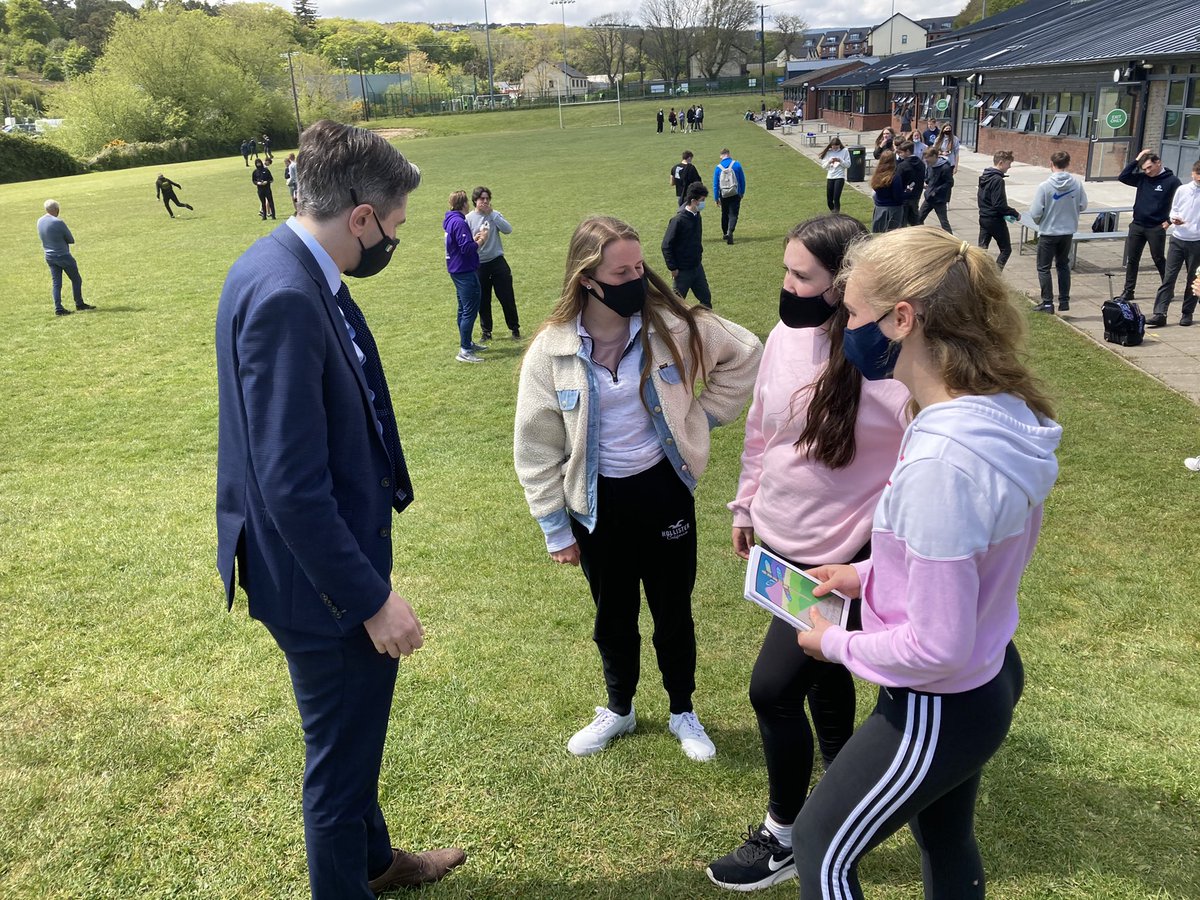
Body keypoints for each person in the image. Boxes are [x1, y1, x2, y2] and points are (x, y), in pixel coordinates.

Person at [214, 119, 466, 900]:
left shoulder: (282, 262)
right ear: (360, 217)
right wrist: (371, 600)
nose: (395, 239)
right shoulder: (288, 294)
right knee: (339, 764)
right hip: (318, 586)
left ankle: (374, 862)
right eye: (394, 225)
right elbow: (290, 484)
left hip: (314, 569)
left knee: (353, 737)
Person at [792, 226, 1062, 900]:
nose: (845, 328)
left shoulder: (944, 461)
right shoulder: (993, 410)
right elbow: (962, 557)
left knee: (819, 845)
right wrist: (866, 576)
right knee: (944, 836)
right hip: (986, 677)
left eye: (853, 313)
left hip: (939, 701)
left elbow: (937, 644)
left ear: (902, 319)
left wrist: (836, 644)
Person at [705, 214, 909, 892]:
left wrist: (874, 550)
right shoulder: (784, 337)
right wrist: (746, 504)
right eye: (785, 271)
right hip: (780, 542)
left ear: (844, 286)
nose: (787, 287)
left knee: (772, 691)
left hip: (840, 557)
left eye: (802, 276)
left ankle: (786, 834)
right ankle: (844, 777)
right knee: (821, 672)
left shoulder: (888, 364)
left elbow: (918, 465)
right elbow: (763, 431)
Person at [514, 215, 762, 762]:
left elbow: (746, 352)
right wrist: (555, 528)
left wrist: (697, 418)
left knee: (673, 612)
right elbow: (534, 448)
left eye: (639, 267)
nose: (637, 279)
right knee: (613, 616)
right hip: (597, 507)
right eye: (621, 272)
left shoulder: (670, 327)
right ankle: (619, 708)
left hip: (663, 492)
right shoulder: (551, 352)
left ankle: (682, 710)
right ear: (587, 279)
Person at [1118, 149, 1180, 303]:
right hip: (1137, 225)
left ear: (1158, 163)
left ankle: (1168, 290)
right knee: (1132, 259)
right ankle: (1128, 291)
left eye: (1149, 168)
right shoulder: (1143, 178)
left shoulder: (1172, 181)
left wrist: (1169, 221)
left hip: (1156, 227)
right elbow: (1123, 177)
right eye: (1144, 169)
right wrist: (1137, 159)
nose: (1147, 171)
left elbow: (1181, 203)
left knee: (1158, 259)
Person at [1030, 150, 1087, 313]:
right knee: (1063, 265)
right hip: (1067, 232)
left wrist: (1040, 221)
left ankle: (1048, 303)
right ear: (1068, 164)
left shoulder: (1045, 186)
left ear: (1051, 164)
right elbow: (1083, 205)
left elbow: (1035, 212)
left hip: (1049, 232)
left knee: (1044, 268)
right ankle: (1064, 301)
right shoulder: (1076, 184)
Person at [1148, 158, 1200, 328]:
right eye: (1198, 174)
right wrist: (1174, 219)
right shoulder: (1182, 190)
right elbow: (1174, 209)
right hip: (1178, 239)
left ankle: (1187, 313)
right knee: (1169, 277)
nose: (1199, 178)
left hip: (1196, 241)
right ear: (1192, 173)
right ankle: (1160, 313)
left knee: (1193, 278)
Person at [466, 185, 521, 341]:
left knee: (506, 297)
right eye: (481, 199)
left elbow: (508, 229)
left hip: (497, 262)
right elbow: (467, 242)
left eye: (487, 199)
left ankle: (514, 328)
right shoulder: (468, 219)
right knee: (483, 300)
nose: (485, 201)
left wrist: (492, 214)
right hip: (479, 265)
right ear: (475, 200)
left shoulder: (494, 215)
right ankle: (486, 332)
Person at [444, 190, 488, 362]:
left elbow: (459, 244)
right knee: (469, 310)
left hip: (456, 270)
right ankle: (465, 350)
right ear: (464, 204)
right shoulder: (459, 222)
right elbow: (467, 249)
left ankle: (467, 342)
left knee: (463, 309)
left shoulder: (450, 220)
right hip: (464, 271)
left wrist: (472, 239)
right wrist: (482, 240)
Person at [37, 199, 95, 316]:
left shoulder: (40, 221)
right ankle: (79, 303)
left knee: (56, 283)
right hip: (63, 255)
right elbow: (71, 239)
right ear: (56, 209)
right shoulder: (58, 222)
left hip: (49, 256)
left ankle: (58, 308)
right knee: (76, 279)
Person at [662, 182, 713, 309]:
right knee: (676, 305)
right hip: (682, 272)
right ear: (693, 201)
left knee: (706, 300)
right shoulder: (678, 221)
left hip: (697, 267)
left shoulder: (697, 216)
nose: (703, 203)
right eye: (702, 200)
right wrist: (673, 268)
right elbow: (666, 245)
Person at [977, 150, 1021, 270]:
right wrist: (1014, 213)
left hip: (984, 217)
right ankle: (995, 275)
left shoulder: (985, 176)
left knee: (981, 250)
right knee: (1006, 249)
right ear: (1001, 163)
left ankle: (977, 273)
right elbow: (999, 205)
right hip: (994, 219)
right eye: (1008, 164)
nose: (1009, 167)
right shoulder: (997, 180)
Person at [919, 146, 955, 234]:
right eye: (925, 158)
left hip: (939, 199)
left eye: (928, 158)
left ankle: (951, 238)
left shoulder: (945, 168)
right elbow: (929, 178)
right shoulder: (930, 165)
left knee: (944, 222)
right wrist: (926, 183)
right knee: (919, 218)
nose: (926, 160)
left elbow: (949, 183)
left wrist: (936, 191)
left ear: (935, 156)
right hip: (929, 198)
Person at [714, 149, 746, 245]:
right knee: (733, 214)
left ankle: (725, 233)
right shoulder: (737, 165)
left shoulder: (718, 168)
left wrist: (716, 198)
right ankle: (730, 231)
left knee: (724, 213)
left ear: (721, 156)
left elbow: (715, 184)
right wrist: (742, 192)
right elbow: (742, 180)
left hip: (723, 194)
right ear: (729, 154)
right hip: (735, 192)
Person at [870, 150, 906, 234]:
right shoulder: (895, 177)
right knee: (893, 234)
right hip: (893, 209)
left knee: (879, 233)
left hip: (879, 208)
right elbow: (897, 197)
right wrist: (907, 193)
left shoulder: (877, 175)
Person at [895, 140, 926, 227]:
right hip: (916, 195)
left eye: (901, 152)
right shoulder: (921, 164)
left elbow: (898, 182)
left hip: (904, 196)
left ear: (908, 151)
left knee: (902, 222)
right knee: (915, 221)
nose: (900, 154)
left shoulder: (902, 166)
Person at [818, 137, 850, 213]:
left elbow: (848, 165)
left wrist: (840, 160)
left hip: (839, 177)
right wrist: (829, 162)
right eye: (833, 147)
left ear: (839, 145)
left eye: (837, 147)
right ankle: (833, 212)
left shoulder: (844, 151)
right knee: (829, 200)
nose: (835, 149)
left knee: (836, 198)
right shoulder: (828, 152)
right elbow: (824, 166)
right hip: (830, 177)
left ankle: (836, 214)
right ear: (831, 145)